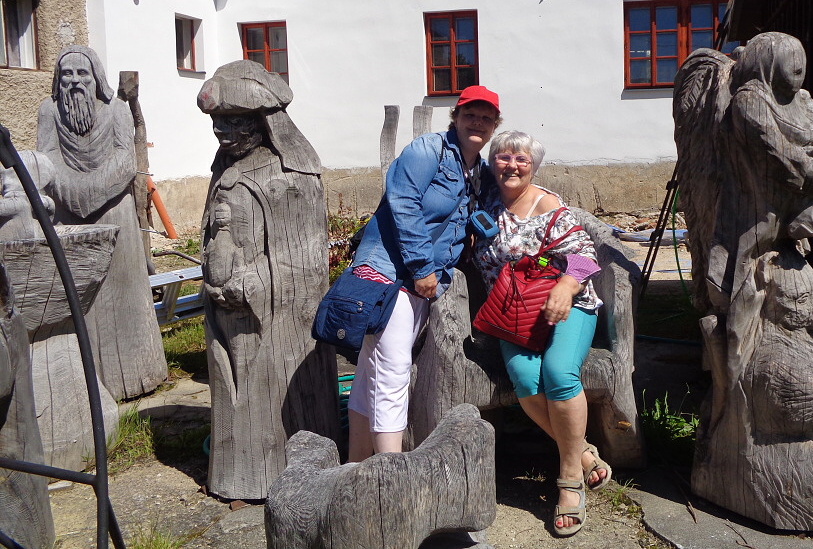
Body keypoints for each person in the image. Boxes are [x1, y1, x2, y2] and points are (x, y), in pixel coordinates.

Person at [197, 59, 339, 501]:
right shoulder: (225, 169)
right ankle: (236, 474)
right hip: (226, 310)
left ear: (264, 120)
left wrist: (254, 282)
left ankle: (281, 472)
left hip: (273, 319)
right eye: (218, 122)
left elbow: (302, 260)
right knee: (232, 388)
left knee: (270, 392)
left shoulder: (291, 177)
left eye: (234, 121)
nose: (222, 131)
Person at [347, 85, 502, 462]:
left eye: (485, 117)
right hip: (389, 272)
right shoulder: (427, 149)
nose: (477, 122)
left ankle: (356, 465)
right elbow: (403, 203)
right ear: (455, 117)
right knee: (394, 371)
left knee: (371, 372)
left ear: (494, 125)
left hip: (420, 281)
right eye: (470, 115)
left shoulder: (478, 170)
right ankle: (390, 470)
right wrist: (422, 267)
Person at [472, 130, 610, 537]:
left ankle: (569, 480)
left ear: (533, 165)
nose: (512, 165)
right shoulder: (484, 202)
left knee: (558, 372)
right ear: (492, 162)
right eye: (504, 157)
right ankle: (582, 453)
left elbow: (586, 255)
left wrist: (565, 287)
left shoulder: (548, 206)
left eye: (521, 159)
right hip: (512, 315)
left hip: (566, 305)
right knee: (525, 378)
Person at [36, 45, 166, 401]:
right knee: (79, 297)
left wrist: (91, 190)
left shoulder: (117, 109)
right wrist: (73, 192)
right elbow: (46, 156)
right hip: (68, 217)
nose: (75, 81)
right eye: (67, 74)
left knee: (124, 293)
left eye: (83, 73)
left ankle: (138, 372)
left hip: (115, 213)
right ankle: (84, 381)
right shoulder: (49, 111)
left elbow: (125, 159)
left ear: (97, 78)